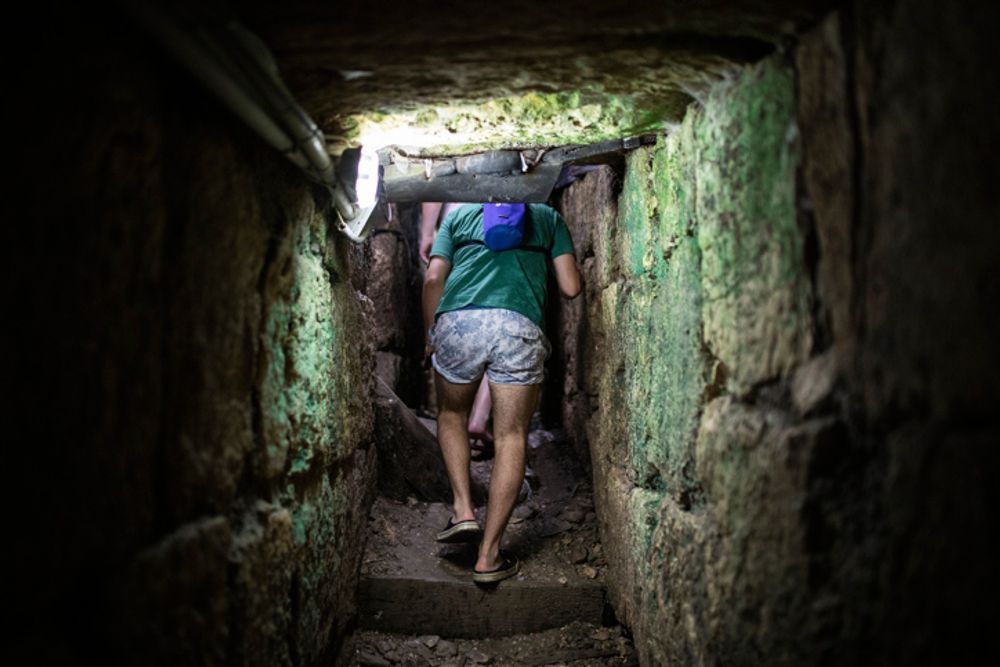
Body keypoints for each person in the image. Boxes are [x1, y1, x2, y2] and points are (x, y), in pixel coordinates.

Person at [422, 202, 581, 584]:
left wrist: (433, 335)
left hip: (460, 322)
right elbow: (571, 288)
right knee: (511, 436)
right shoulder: (546, 217)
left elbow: (432, 280)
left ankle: (462, 510)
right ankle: (488, 556)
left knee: (451, 415)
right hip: (518, 326)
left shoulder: (459, 216)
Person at [421, 203, 493, 446]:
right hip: (506, 222)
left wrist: (427, 233)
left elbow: (431, 188)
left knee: (459, 313)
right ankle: (479, 418)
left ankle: (458, 414)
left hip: (457, 224)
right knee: (498, 317)